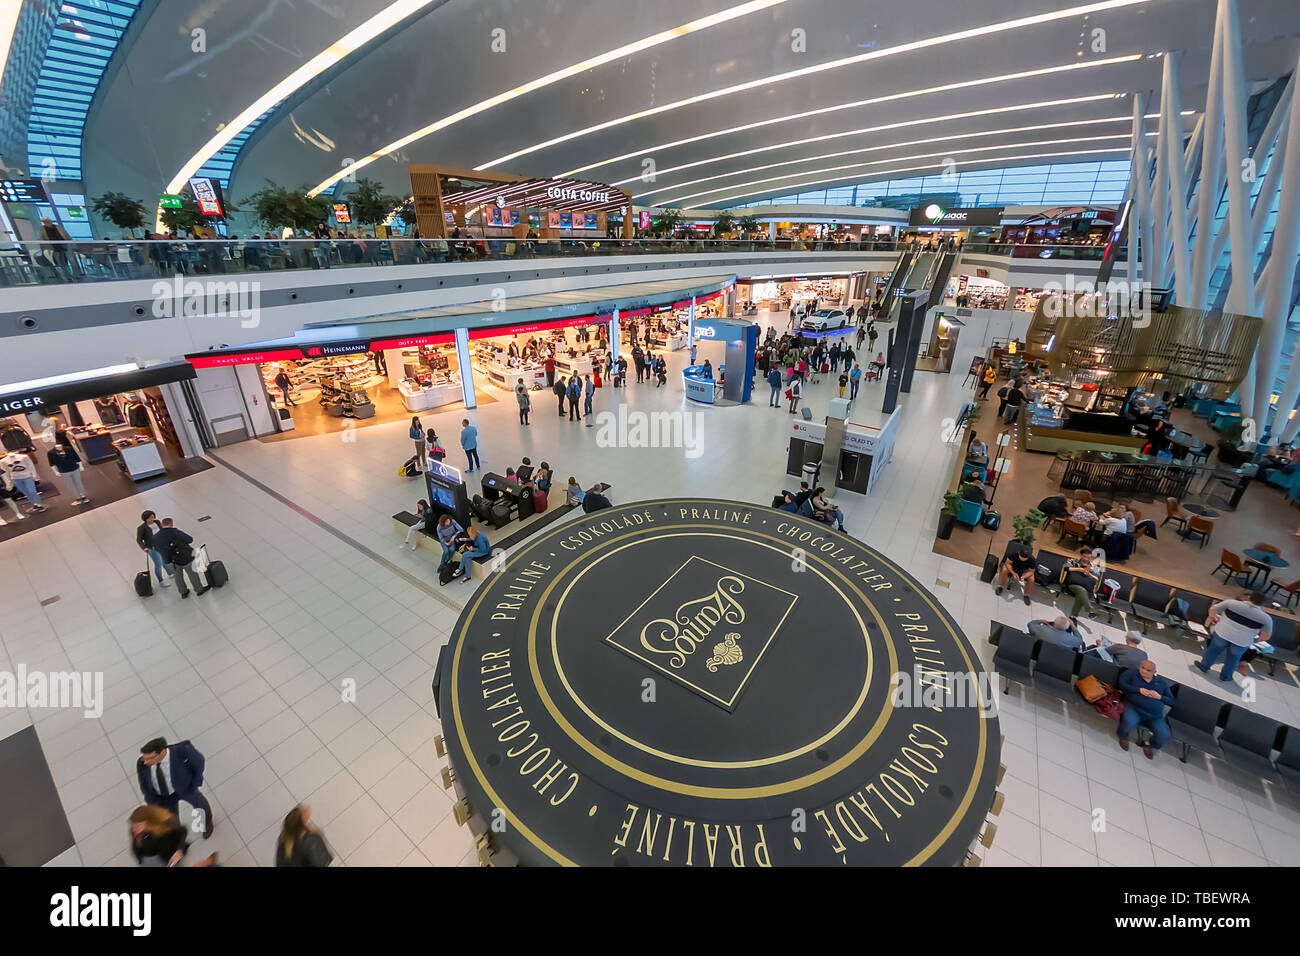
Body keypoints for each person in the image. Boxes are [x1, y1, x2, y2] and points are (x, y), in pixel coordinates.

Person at [136, 736, 214, 838]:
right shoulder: (142, 763)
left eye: (149, 758)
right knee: (171, 821)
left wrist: (195, 783)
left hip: (186, 788)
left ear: (162, 753)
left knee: (199, 804)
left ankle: (207, 823)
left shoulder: (182, 751)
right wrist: (151, 800)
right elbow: (144, 784)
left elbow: (199, 762)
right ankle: (180, 842)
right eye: (144, 758)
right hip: (163, 797)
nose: (145, 762)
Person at [1195, 591, 1272, 683]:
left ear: (1249, 597)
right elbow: (1266, 635)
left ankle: (1204, 666)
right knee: (1233, 659)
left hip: (1222, 633)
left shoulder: (1231, 603)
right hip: (1242, 642)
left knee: (1213, 650)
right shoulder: (1266, 618)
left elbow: (1212, 609)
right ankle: (1225, 677)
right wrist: (1256, 640)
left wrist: (1213, 617)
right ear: (1262, 603)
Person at [1116, 660, 1174, 759]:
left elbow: (1171, 701)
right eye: (1142, 668)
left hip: (1155, 716)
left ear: (1154, 672)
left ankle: (1149, 744)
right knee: (1128, 721)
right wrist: (1138, 690)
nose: (1144, 671)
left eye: (1148, 670)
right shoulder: (1131, 674)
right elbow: (1121, 684)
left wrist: (1159, 697)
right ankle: (1123, 736)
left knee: (1164, 735)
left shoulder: (1161, 683)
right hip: (1134, 708)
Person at [151, 518, 207, 598]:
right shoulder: (175, 532)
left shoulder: (155, 537)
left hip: (170, 560)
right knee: (192, 574)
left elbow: (156, 548)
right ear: (171, 523)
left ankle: (183, 592)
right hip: (185, 557)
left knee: (178, 577)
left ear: (162, 524)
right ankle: (199, 590)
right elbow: (190, 539)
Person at [129, 805, 194, 867]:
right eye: (133, 826)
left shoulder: (165, 824)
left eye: (137, 826)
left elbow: (183, 830)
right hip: (158, 856)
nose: (134, 830)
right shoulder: (136, 832)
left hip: (172, 852)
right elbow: (135, 847)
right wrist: (140, 860)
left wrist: (179, 851)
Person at [1061, 547, 1100, 625]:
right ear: (1081, 555)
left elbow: (1097, 578)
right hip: (1072, 584)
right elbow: (1065, 568)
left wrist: (1089, 574)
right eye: (1085, 557)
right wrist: (1078, 569)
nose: (1086, 559)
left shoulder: (1093, 566)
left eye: (1089, 557)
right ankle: (1090, 611)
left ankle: (1073, 617)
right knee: (1082, 591)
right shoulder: (1073, 561)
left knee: (1082, 592)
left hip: (1085, 587)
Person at [136, 511, 172, 588]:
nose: (153, 518)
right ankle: (161, 581)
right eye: (150, 517)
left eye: (153, 516)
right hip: (152, 548)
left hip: (161, 545)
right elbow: (139, 540)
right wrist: (144, 547)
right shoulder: (142, 528)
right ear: (146, 519)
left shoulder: (157, 522)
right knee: (158, 564)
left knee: (164, 560)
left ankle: (170, 573)